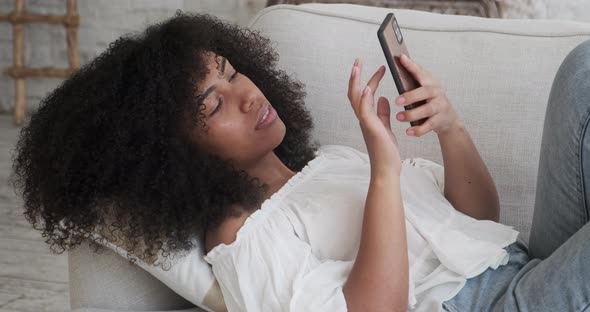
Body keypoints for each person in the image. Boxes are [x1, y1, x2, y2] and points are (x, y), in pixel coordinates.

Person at [11, 12, 590, 312]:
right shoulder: (243, 240)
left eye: (232, 72)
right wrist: (385, 171)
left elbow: (479, 220)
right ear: (174, 157)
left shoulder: (329, 163)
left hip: (523, 267)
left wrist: (449, 126)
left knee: (582, 72)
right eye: (213, 104)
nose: (245, 93)